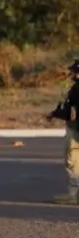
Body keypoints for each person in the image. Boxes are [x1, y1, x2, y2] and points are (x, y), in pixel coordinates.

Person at [48, 59, 79, 204]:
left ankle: (73, 194)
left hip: (76, 130)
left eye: (74, 71)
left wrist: (55, 114)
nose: (71, 74)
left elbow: (70, 111)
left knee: (72, 160)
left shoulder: (76, 89)